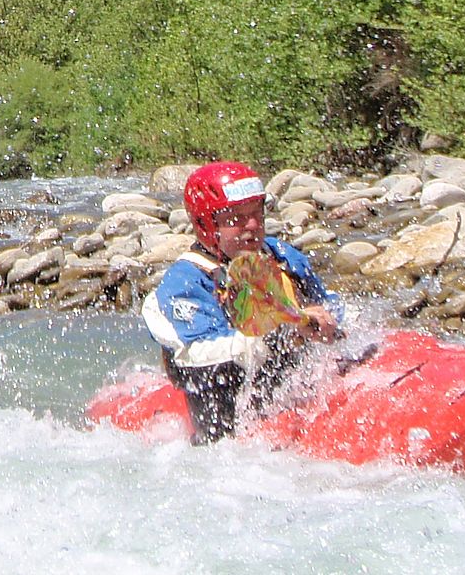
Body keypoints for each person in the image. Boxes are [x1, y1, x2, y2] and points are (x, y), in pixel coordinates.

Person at [141, 160, 343, 444]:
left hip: (286, 390)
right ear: (206, 224)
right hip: (223, 415)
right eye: (235, 218)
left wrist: (329, 320)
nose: (252, 226)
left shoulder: (281, 256)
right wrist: (283, 333)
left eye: (256, 215)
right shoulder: (185, 282)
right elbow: (203, 353)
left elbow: (329, 303)